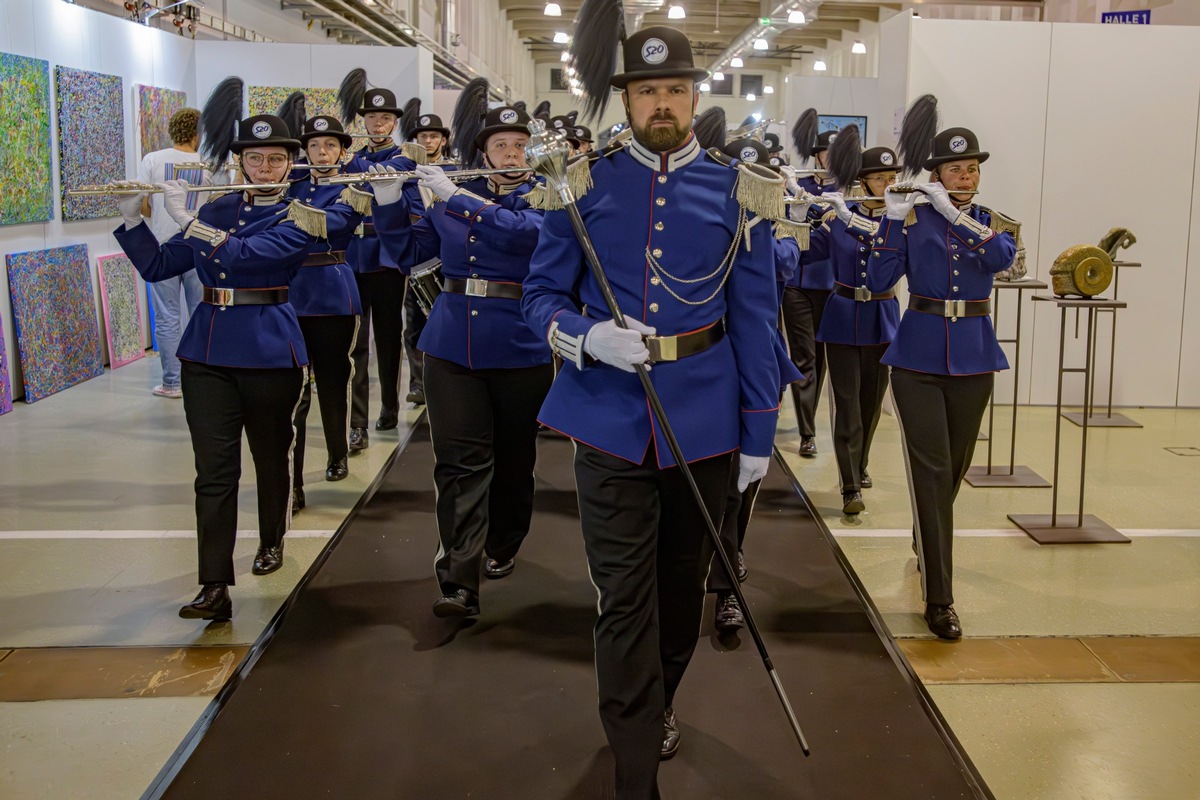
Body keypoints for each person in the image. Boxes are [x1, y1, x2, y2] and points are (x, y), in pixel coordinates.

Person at [523, 26, 781, 798]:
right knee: (624, 599)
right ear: (626, 100)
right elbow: (540, 297)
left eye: (673, 91)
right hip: (608, 419)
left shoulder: (741, 191)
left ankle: (660, 700)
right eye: (645, 92)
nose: (661, 104)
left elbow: (757, 320)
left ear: (696, 97)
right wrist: (586, 335)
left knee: (677, 597)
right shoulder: (583, 185)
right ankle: (634, 768)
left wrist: (758, 432)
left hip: (703, 421)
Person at [112, 90, 334, 620]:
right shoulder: (218, 206)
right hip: (207, 351)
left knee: (270, 454)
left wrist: (189, 221)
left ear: (290, 162)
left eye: (275, 158)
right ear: (239, 161)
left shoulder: (301, 214)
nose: (263, 166)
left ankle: (272, 539)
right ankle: (213, 584)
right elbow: (160, 266)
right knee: (214, 472)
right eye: (253, 158)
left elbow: (252, 256)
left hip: (269, 349)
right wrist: (131, 222)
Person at [372, 94, 551, 618]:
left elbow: (530, 240)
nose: (512, 154)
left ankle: (504, 542)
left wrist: (458, 199)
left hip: (520, 343)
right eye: (502, 145)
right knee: (458, 463)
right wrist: (386, 202)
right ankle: (457, 578)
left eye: (520, 145)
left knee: (515, 459)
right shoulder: (454, 194)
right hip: (452, 342)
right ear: (484, 151)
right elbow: (410, 254)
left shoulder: (548, 198)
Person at [868, 126, 1016, 640]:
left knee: (952, 470)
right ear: (936, 175)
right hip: (918, 359)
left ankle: (924, 534)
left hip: (974, 359)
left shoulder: (989, 224)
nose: (965, 175)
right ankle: (940, 598)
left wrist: (957, 217)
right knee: (931, 473)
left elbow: (1004, 260)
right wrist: (888, 218)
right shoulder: (911, 221)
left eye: (972, 168)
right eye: (955, 169)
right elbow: (879, 280)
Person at [706, 136, 804, 634]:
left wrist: (774, 209)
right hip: (713, 358)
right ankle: (723, 582)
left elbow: (784, 264)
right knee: (720, 482)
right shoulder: (711, 219)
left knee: (746, 482)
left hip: (763, 357)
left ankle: (730, 556)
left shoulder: (776, 223)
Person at [811, 146, 902, 515]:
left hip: (882, 315)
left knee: (870, 404)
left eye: (893, 178)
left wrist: (846, 218)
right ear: (862, 182)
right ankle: (850, 485)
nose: (888, 185)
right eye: (880, 178)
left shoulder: (901, 222)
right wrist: (796, 216)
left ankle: (860, 461)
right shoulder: (836, 219)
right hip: (843, 315)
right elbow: (807, 252)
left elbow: (885, 248)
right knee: (846, 404)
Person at [337, 74, 421, 452]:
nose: (378, 123)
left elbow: (415, 209)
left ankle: (388, 405)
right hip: (353, 259)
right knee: (355, 344)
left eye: (385, 118)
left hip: (387, 259)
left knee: (389, 339)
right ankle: (357, 422)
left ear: (394, 123)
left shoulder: (405, 161)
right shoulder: (349, 160)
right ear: (363, 122)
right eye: (372, 118)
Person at [286, 114, 365, 513]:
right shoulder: (289, 184)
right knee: (294, 394)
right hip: (290, 295)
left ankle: (337, 452)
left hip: (333, 294)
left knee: (334, 382)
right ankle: (293, 483)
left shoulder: (352, 189)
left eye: (330, 146)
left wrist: (287, 208)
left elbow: (330, 225)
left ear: (343, 151)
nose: (321, 152)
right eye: (315, 146)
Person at [135, 107, 206, 398]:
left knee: (166, 317)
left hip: (163, 247)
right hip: (200, 247)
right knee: (202, 313)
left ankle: (172, 384)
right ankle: (204, 378)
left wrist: (160, 215)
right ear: (197, 133)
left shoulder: (153, 159)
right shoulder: (208, 162)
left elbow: (139, 203)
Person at [780, 126, 838, 457]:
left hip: (831, 284)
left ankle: (810, 419)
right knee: (804, 357)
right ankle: (807, 432)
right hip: (798, 283)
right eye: (826, 153)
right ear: (816, 155)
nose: (830, 160)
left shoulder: (847, 190)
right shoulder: (798, 185)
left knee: (823, 358)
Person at [402, 106, 456, 406]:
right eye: (422, 136)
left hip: (448, 253)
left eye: (434, 136)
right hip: (420, 256)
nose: (428, 142)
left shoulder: (457, 172)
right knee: (414, 323)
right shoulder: (407, 174)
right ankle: (417, 383)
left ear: (443, 141)